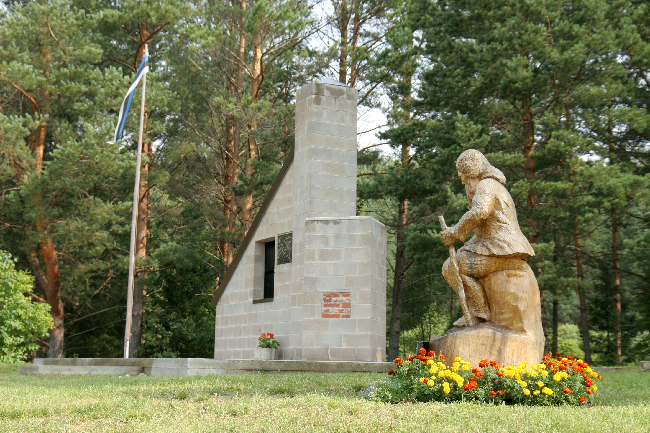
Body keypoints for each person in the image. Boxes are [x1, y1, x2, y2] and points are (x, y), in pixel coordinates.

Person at [441, 149, 535, 327]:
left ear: (472, 173)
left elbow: (479, 211)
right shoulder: (494, 186)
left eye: (464, 178)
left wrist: (455, 232)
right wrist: (461, 243)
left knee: (451, 267)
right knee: (456, 261)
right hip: (498, 249)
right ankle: (478, 312)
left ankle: (478, 313)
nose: (463, 182)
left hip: (502, 251)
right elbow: (481, 234)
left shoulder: (487, 185)